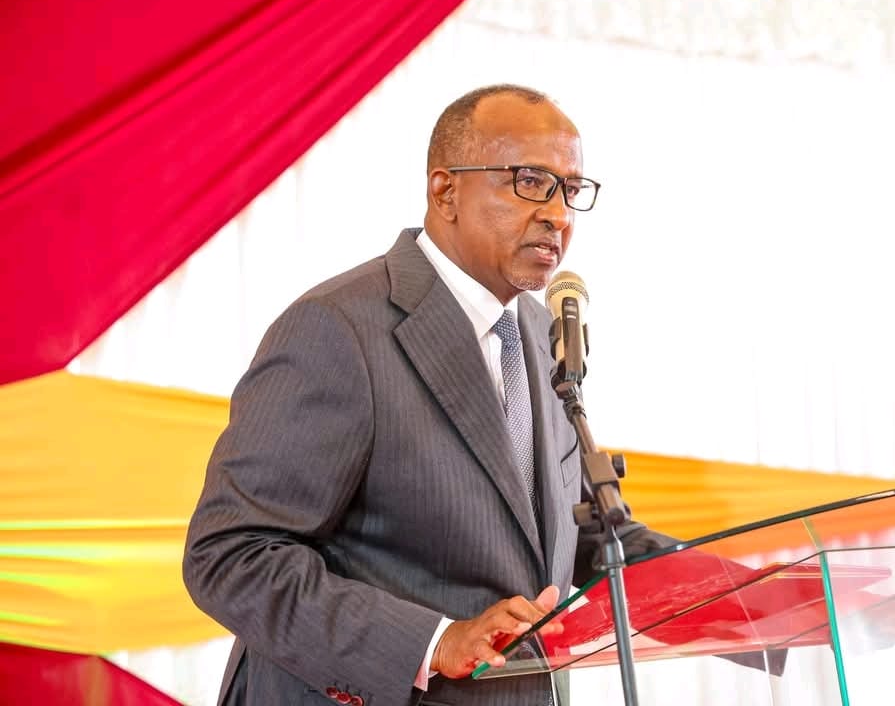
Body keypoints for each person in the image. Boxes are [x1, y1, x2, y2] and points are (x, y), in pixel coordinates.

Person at [182, 84, 680, 706]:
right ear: (445, 191)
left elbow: (579, 536)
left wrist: (748, 588)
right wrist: (432, 642)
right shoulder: (339, 329)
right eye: (531, 181)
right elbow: (231, 555)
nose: (558, 214)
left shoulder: (539, 332)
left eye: (571, 190)